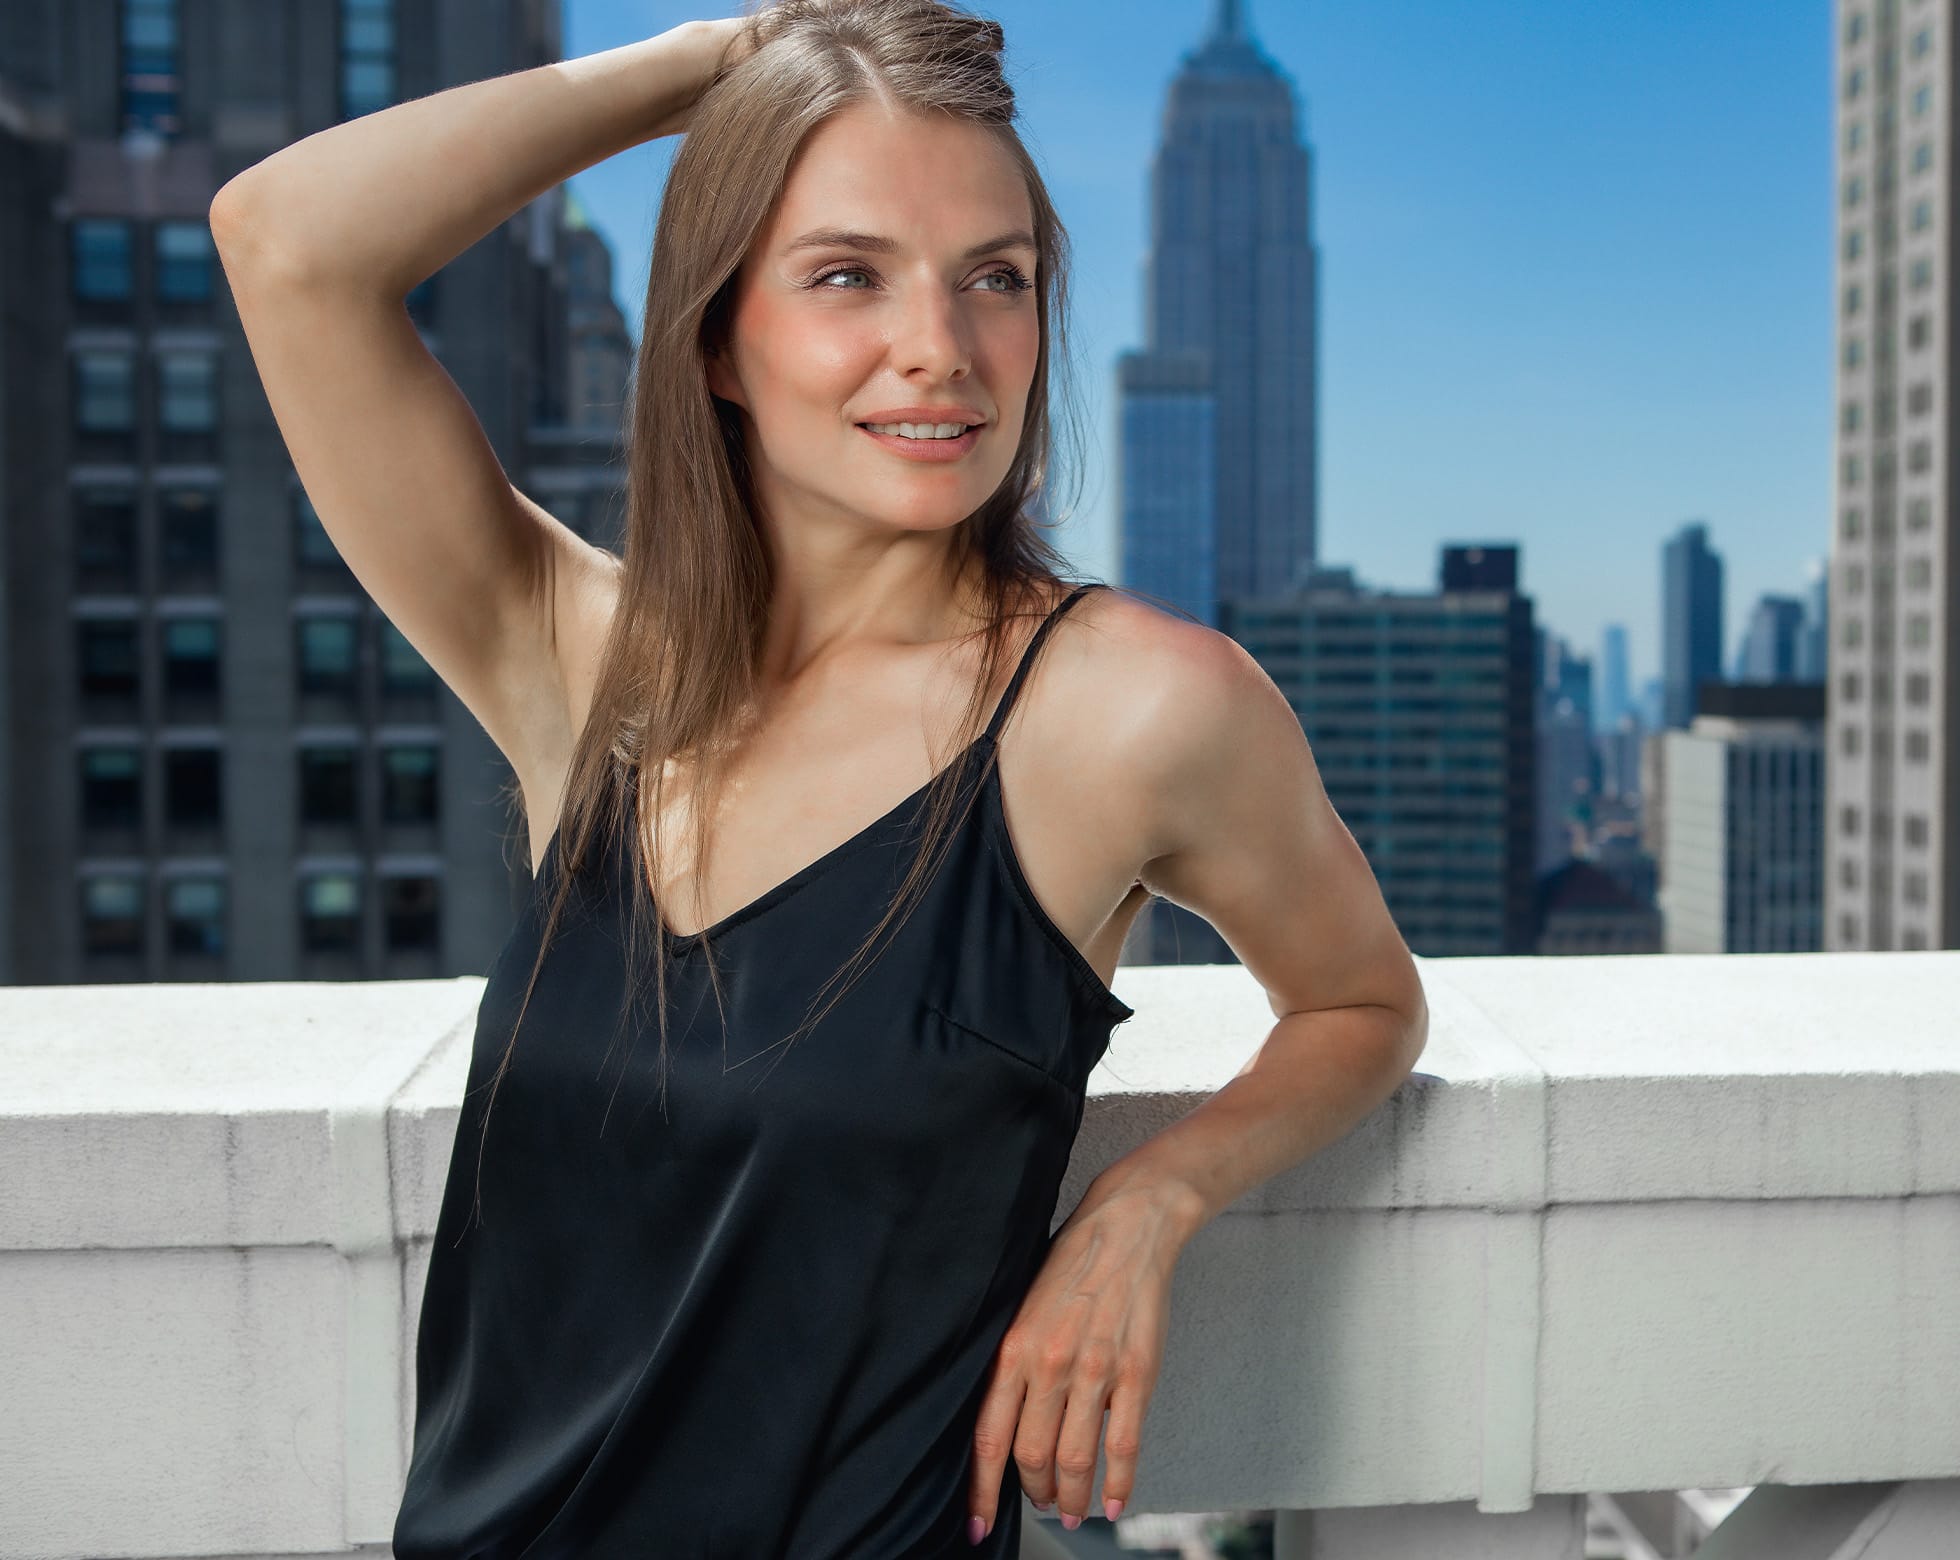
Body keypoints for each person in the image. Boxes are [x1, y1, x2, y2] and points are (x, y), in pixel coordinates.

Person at [211, 1, 1428, 1554]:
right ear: (718, 335)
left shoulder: (1130, 712)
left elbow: (1362, 1003)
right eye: (848, 274)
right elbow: (286, 242)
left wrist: (1150, 1201)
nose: (943, 346)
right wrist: (715, 72)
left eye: (998, 277)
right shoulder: (581, 658)